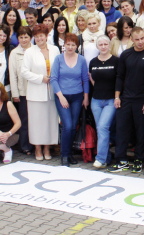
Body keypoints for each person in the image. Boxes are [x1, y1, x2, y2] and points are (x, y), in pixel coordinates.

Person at [109, 27, 144, 173]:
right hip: (126, 98)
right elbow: (120, 76)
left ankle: (139, 160)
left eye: (142, 38)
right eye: (137, 39)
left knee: (141, 131)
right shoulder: (126, 54)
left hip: (143, 99)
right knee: (122, 130)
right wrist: (117, 97)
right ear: (131, 39)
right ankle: (121, 160)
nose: (140, 42)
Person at [20, 24, 60, 161]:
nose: (39, 39)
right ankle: (37, 149)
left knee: (50, 122)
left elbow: (59, 67)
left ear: (46, 36)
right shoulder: (29, 52)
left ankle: (47, 148)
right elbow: (24, 72)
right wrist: (40, 78)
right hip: (36, 93)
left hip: (52, 92)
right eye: (36, 36)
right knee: (36, 123)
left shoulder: (55, 49)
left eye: (41, 36)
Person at [50, 33, 90, 166]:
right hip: (62, 96)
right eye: (68, 44)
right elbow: (53, 79)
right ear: (64, 45)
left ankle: (69, 153)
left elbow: (85, 79)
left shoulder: (82, 60)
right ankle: (64, 155)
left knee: (73, 126)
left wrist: (86, 97)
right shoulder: (58, 59)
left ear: (77, 46)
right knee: (67, 125)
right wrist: (61, 97)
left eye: (73, 45)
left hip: (77, 96)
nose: (70, 47)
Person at [89, 35, 119, 168]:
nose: (103, 47)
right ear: (97, 46)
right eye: (100, 44)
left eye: (105, 44)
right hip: (96, 100)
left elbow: (119, 79)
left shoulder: (116, 61)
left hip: (110, 100)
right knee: (101, 129)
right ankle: (106, 158)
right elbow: (91, 77)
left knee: (102, 127)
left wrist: (117, 97)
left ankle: (100, 158)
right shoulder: (93, 62)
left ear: (109, 45)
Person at [8, 26, 34, 155]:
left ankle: (35, 144)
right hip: (22, 91)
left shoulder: (35, 50)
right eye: (21, 37)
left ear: (31, 38)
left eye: (26, 37)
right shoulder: (14, 53)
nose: (24, 40)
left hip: (35, 91)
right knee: (24, 120)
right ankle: (24, 146)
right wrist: (15, 93)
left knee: (34, 119)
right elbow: (12, 75)